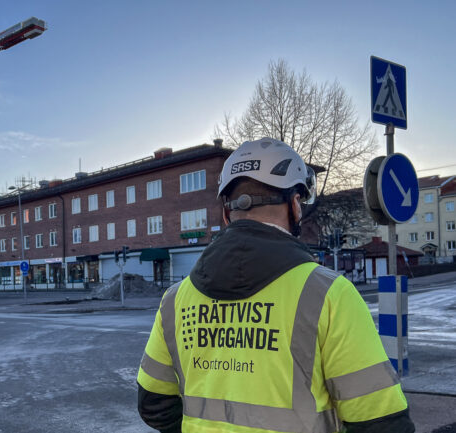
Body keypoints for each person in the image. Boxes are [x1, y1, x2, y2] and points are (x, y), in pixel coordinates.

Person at [136, 138, 414, 433]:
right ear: (295, 205)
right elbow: (382, 422)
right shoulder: (329, 294)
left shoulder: (175, 300)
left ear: (226, 213)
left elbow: (153, 403)